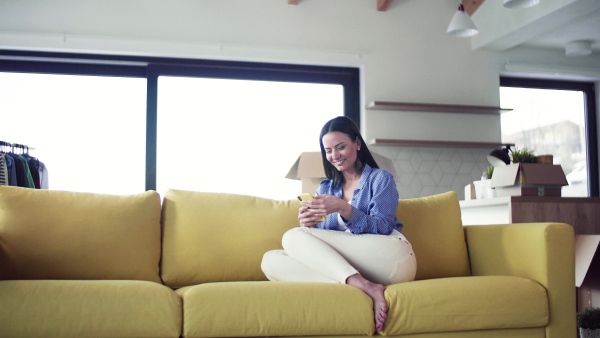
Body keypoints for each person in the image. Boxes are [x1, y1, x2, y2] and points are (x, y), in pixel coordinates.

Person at [261, 116, 417, 332]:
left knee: (292, 236)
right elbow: (327, 242)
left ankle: (359, 284)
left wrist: (344, 208)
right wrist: (310, 225)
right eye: (329, 150)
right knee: (270, 261)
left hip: (391, 257)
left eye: (340, 147)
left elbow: (383, 226)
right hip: (357, 266)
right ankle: (359, 285)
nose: (334, 155)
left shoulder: (381, 178)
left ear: (357, 144)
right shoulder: (326, 188)